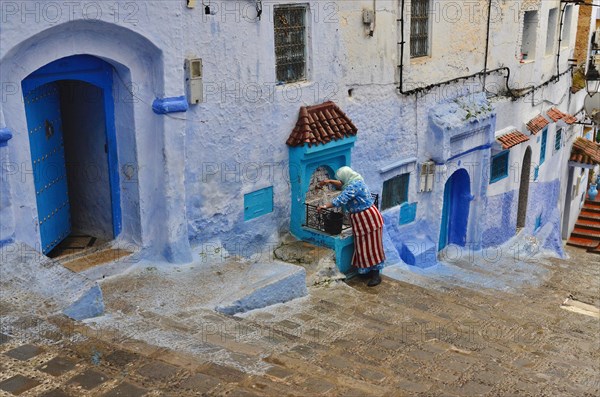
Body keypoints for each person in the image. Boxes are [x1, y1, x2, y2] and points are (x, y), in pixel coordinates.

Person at [317, 166, 385, 287]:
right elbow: (342, 184)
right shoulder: (353, 180)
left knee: (373, 246)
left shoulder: (354, 186)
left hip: (369, 218)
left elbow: (342, 199)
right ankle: (366, 270)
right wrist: (329, 181)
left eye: (341, 180)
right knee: (363, 245)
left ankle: (376, 275)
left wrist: (325, 206)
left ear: (345, 177)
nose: (341, 182)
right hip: (360, 219)